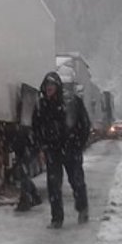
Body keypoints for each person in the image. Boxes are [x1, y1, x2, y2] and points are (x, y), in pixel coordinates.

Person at [32, 72, 90, 228]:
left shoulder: (72, 102)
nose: (49, 89)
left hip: (71, 149)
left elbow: (84, 124)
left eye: (51, 86)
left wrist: (78, 144)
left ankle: (82, 209)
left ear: (57, 87)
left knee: (77, 181)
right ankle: (57, 218)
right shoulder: (41, 106)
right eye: (46, 86)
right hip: (53, 151)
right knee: (54, 186)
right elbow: (36, 128)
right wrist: (41, 147)